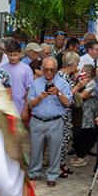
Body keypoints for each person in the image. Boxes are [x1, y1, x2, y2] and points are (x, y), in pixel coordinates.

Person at [26, 57, 72, 187]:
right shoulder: (35, 83)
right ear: (42, 69)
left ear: (56, 70)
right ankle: (34, 173)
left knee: (54, 150)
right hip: (37, 121)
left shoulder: (62, 83)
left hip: (55, 121)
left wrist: (58, 93)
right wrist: (40, 97)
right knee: (35, 149)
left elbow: (68, 103)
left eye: (52, 70)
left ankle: (52, 175)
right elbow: (30, 104)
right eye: (46, 69)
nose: (49, 72)